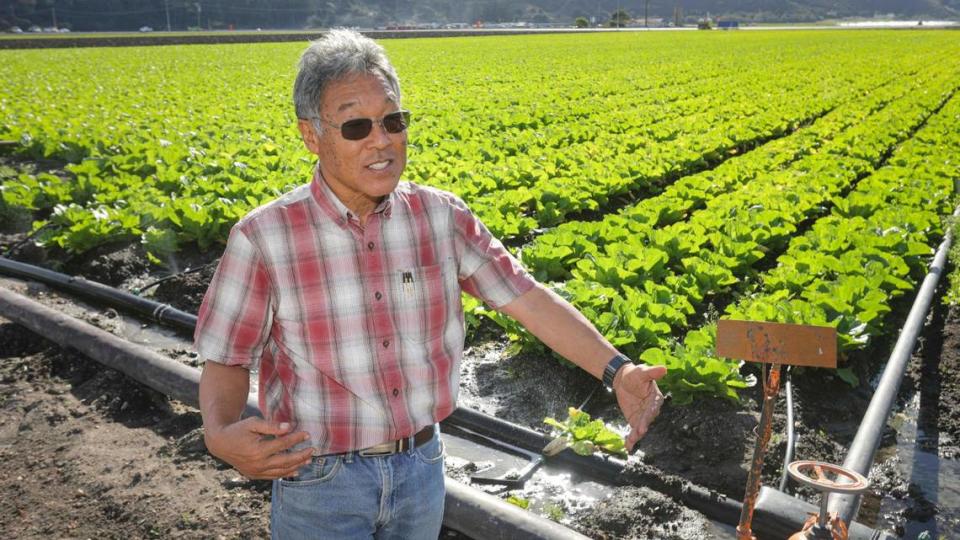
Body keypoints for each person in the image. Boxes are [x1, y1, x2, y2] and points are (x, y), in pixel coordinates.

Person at [195, 29, 667, 539]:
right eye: (356, 126)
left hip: (422, 467)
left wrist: (617, 371)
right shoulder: (265, 236)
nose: (382, 140)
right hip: (319, 481)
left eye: (393, 121)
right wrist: (220, 435)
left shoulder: (441, 217)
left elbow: (525, 297)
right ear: (312, 135)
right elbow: (227, 357)